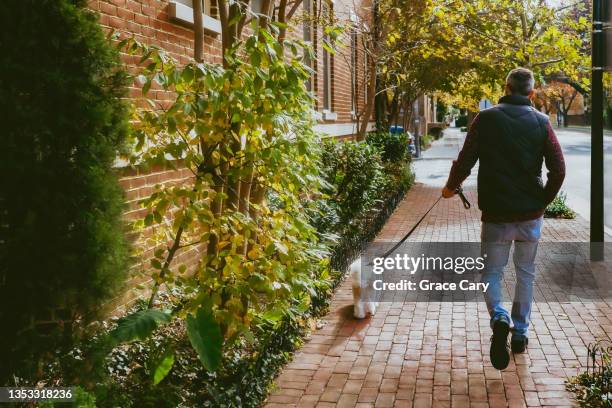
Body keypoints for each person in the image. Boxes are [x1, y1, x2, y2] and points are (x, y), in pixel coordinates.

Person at [441, 68, 566, 370]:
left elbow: (466, 159)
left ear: (506, 87)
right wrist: (542, 201)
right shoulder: (542, 122)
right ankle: (520, 334)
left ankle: (499, 316)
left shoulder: (486, 119)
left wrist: (449, 187)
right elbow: (558, 169)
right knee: (526, 273)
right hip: (530, 216)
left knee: (492, 274)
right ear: (531, 93)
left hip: (496, 213)